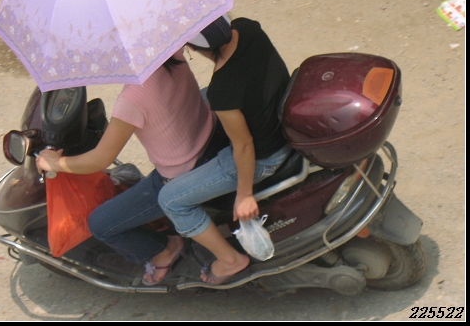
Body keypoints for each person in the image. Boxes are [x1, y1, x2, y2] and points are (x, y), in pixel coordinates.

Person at [36, 49, 229, 286]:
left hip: (181, 172)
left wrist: (55, 163)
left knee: (101, 224)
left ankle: (167, 249)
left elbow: (100, 159)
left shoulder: (132, 99)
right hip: (212, 138)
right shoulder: (170, 55)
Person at [155, 15, 292, 285]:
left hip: (265, 156)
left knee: (170, 200)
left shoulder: (224, 88)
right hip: (277, 116)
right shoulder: (248, 27)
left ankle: (230, 260)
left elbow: (244, 145)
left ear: (192, 47)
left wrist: (244, 195)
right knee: (204, 96)